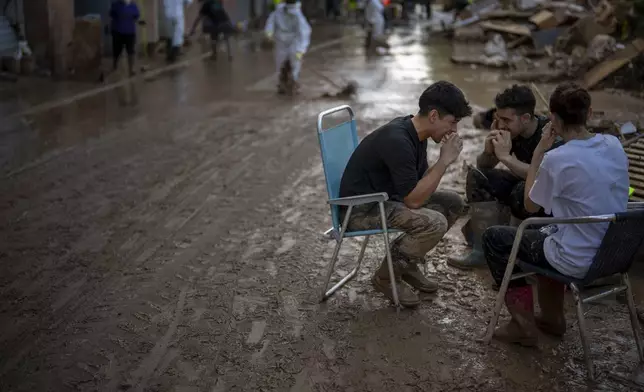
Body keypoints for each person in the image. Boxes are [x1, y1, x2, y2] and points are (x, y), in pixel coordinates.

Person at [482, 82, 629, 346]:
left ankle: (522, 326)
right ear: (590, 113)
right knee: (542, 234)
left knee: (496, 238)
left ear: (552, 118)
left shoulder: (557, 158)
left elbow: (529, 206)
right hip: (614, 253)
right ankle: (552, 318)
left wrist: (538, 152)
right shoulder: (614, 144)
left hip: (577, 258)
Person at [339, 81, 472, 308]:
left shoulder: (415, 134)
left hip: (384, 200)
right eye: (452, 122)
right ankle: (385, 277)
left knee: (452, 202)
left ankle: (406, 264)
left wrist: (443, 161)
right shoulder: (398, 140)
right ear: (433, 116)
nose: (454, 130)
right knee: (434, 222)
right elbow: (413, 199)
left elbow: (418, 186)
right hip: (359, 210)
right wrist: (444, 161)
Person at [448, 85, 557, 270]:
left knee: (521, 190)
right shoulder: (510, 131)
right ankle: (481, 251)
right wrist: (489, 151)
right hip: (522, 187)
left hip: (548, 200)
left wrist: (506, 158)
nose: (501, 124)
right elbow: (484, 166)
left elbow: (544, 177)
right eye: (498, 118)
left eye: (506, 119)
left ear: (525, 118)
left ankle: (514, 253)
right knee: (477, 175)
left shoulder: (548, 134)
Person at [264, 0, 311, 95]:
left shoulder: (298, 16)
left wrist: (301, 50)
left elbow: (304, 33)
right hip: (280, 41)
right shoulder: (278, 12)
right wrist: (269, 33)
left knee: (295, 61)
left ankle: (293, 81)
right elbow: (271, 22)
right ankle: (282, 82)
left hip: (294, 41)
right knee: (280, 61)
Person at [109, 0, 140, 76]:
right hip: (118, 31)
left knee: (131, 50)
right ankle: (115, 64)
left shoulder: (133, 6)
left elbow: (136, 16)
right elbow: (112, 14)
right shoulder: (116, 5)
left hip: (129, 32)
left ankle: (131, 68)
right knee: (117, 50)